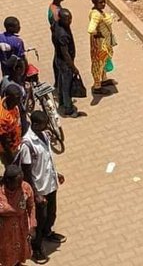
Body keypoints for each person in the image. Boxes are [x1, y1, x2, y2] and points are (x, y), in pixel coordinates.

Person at [20, 111, 66, 262]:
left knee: (52, 213)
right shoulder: (27, 144)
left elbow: (47, 158)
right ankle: (36, 247)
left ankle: (48, 232)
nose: (47, 126)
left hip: (50, 183)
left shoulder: (44, 136)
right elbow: (27, 172)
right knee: (40, 219)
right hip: (39, 188)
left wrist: (56, 173)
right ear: (35, 124)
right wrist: (36, 194)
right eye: (44, 123)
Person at [0, 165, 36, 266]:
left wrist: (32, 225)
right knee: (7, 255)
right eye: (18, 182)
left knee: (20, 251)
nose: (21, 184)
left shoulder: (25, 188)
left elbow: (31, 206)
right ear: (8, 182)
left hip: (21, 229)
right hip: (4, 233)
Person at [52, 9, 80, 118]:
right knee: (66, 86)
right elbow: (66, 54)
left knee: (61, 80)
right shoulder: (62, 34)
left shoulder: (57, 25)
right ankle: (68, 109)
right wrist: (73, 67)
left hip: (58, 59)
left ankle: (61, 100)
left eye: (70, 18)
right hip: (64, 63)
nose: (69, 21)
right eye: (67, 19)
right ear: (61, 19)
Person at [88, 0, 115, 95]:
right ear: (95, 3)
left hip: (105, 43)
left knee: (104, 61)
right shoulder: (96, 15)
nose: (103, 4)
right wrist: (98, 33)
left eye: (104, 1)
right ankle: (97, 86)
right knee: (98, 64)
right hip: (100, 46)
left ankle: (103, 80)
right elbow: (91, 29)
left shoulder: (97, 11)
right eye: (100, 2)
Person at [0, 84, 22, 164]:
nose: (19, 101)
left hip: (17, 142)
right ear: (10, 98)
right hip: (10, 150)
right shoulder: (3, 118)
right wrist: (11, 159)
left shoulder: (13, 104)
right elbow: (5, 142)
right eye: (17, 99)